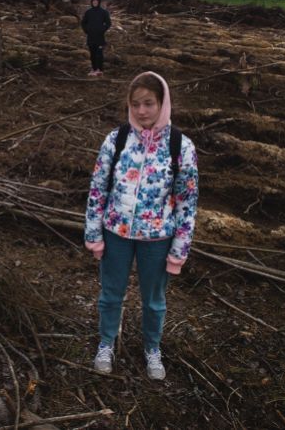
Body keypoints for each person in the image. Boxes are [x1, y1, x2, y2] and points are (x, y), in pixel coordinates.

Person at [84, 71, 199, 380]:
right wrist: (94, 234)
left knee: (154, 300)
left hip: (158, 238)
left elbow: (187, 202)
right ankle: (107, 342)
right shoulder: (116, 139)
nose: (142, 111)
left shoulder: (180, 146)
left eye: (149, 103)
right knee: (111, 293)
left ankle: (152, 348)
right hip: (116, 233)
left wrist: (179, 250)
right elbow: (98, 190)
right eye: (136, 104)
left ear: (162, 104)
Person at [80, 0, 111, 77]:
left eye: (96, 1)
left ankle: (99, 70)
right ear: (91, 2)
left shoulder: (104, 12)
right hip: (90, 37)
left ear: (99, 2)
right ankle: (94, 69)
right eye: (93, 1)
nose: (95, 2)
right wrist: (87, 30)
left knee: (99, 54)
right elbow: (83, 23)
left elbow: (108, 23)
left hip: (100, 37)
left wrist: (102, 29)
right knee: (92, 54)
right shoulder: (88, 12)